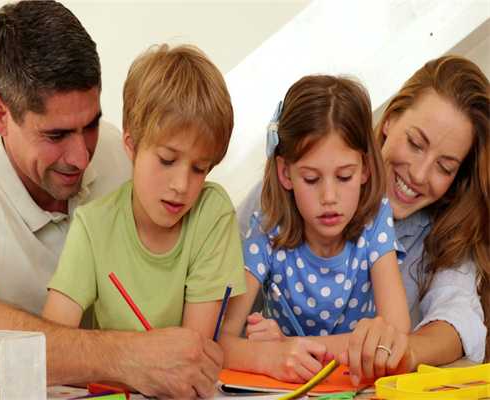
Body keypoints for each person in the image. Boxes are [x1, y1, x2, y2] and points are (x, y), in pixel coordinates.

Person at [0, 2, 222, 397]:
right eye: (56, 135)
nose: (82, 158)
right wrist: (127, 355)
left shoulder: (125, 153)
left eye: (91, 124)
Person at [237, 55, 489, 386]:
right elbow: (222, 315)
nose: (418, 174)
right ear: (390, 121)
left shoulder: (444, 230)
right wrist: (267, 349)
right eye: (415, 144)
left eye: (445, 167)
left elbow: (458, 320)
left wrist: (400, 350)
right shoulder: (277, 204)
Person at [42, 44, 246, 338]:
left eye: (199, 168)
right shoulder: (94, 226)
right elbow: (53, 342)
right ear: (132, 145)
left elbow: (196, 349)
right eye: (167, 160)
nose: (181, 185)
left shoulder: (211, 213)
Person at [220, 75, 410, 383]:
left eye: (344, 176)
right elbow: (219, 340)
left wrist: (288, 345)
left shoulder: (375, 222)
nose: (329, 197)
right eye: (311, 179)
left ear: (365, 168)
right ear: (285, 173)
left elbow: (397, 334)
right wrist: (268, 356)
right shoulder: (267, 230)